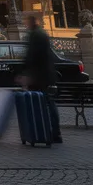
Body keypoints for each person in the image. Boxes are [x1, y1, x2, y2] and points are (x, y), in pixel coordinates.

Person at [19, 11, 62, 143]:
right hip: (45, 75)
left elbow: (32, 56)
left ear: (33, 21)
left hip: (39, 76)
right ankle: (54, 133)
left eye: (27, 21)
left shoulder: (36, 35)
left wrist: (26, 74)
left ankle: (42, 132)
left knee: (42, 104)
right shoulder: (41, 34)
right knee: (48, 103)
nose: (25, 23)